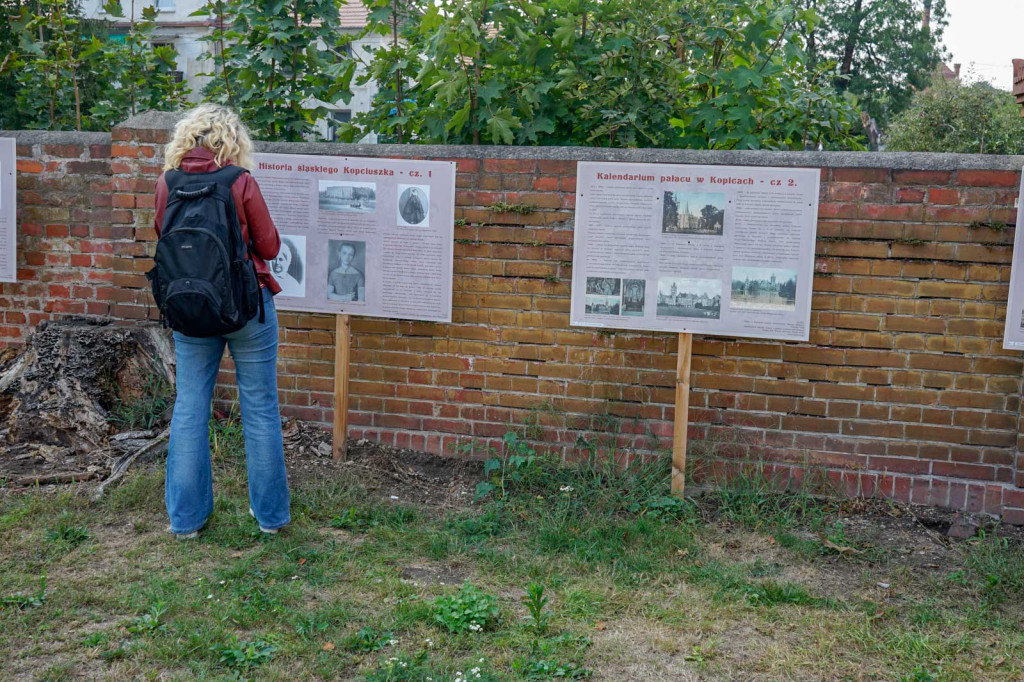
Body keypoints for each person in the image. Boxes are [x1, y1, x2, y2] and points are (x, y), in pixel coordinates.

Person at [154, 104, 290, 539]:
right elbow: (268, 247)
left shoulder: (167, 182)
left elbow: (164, 238)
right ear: (232, 141)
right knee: (261, 409)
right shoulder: (239, 181)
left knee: (190, 409)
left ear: (185, 139)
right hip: (247, 307)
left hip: (191, 309)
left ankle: (186, 520)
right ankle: (269, 518)